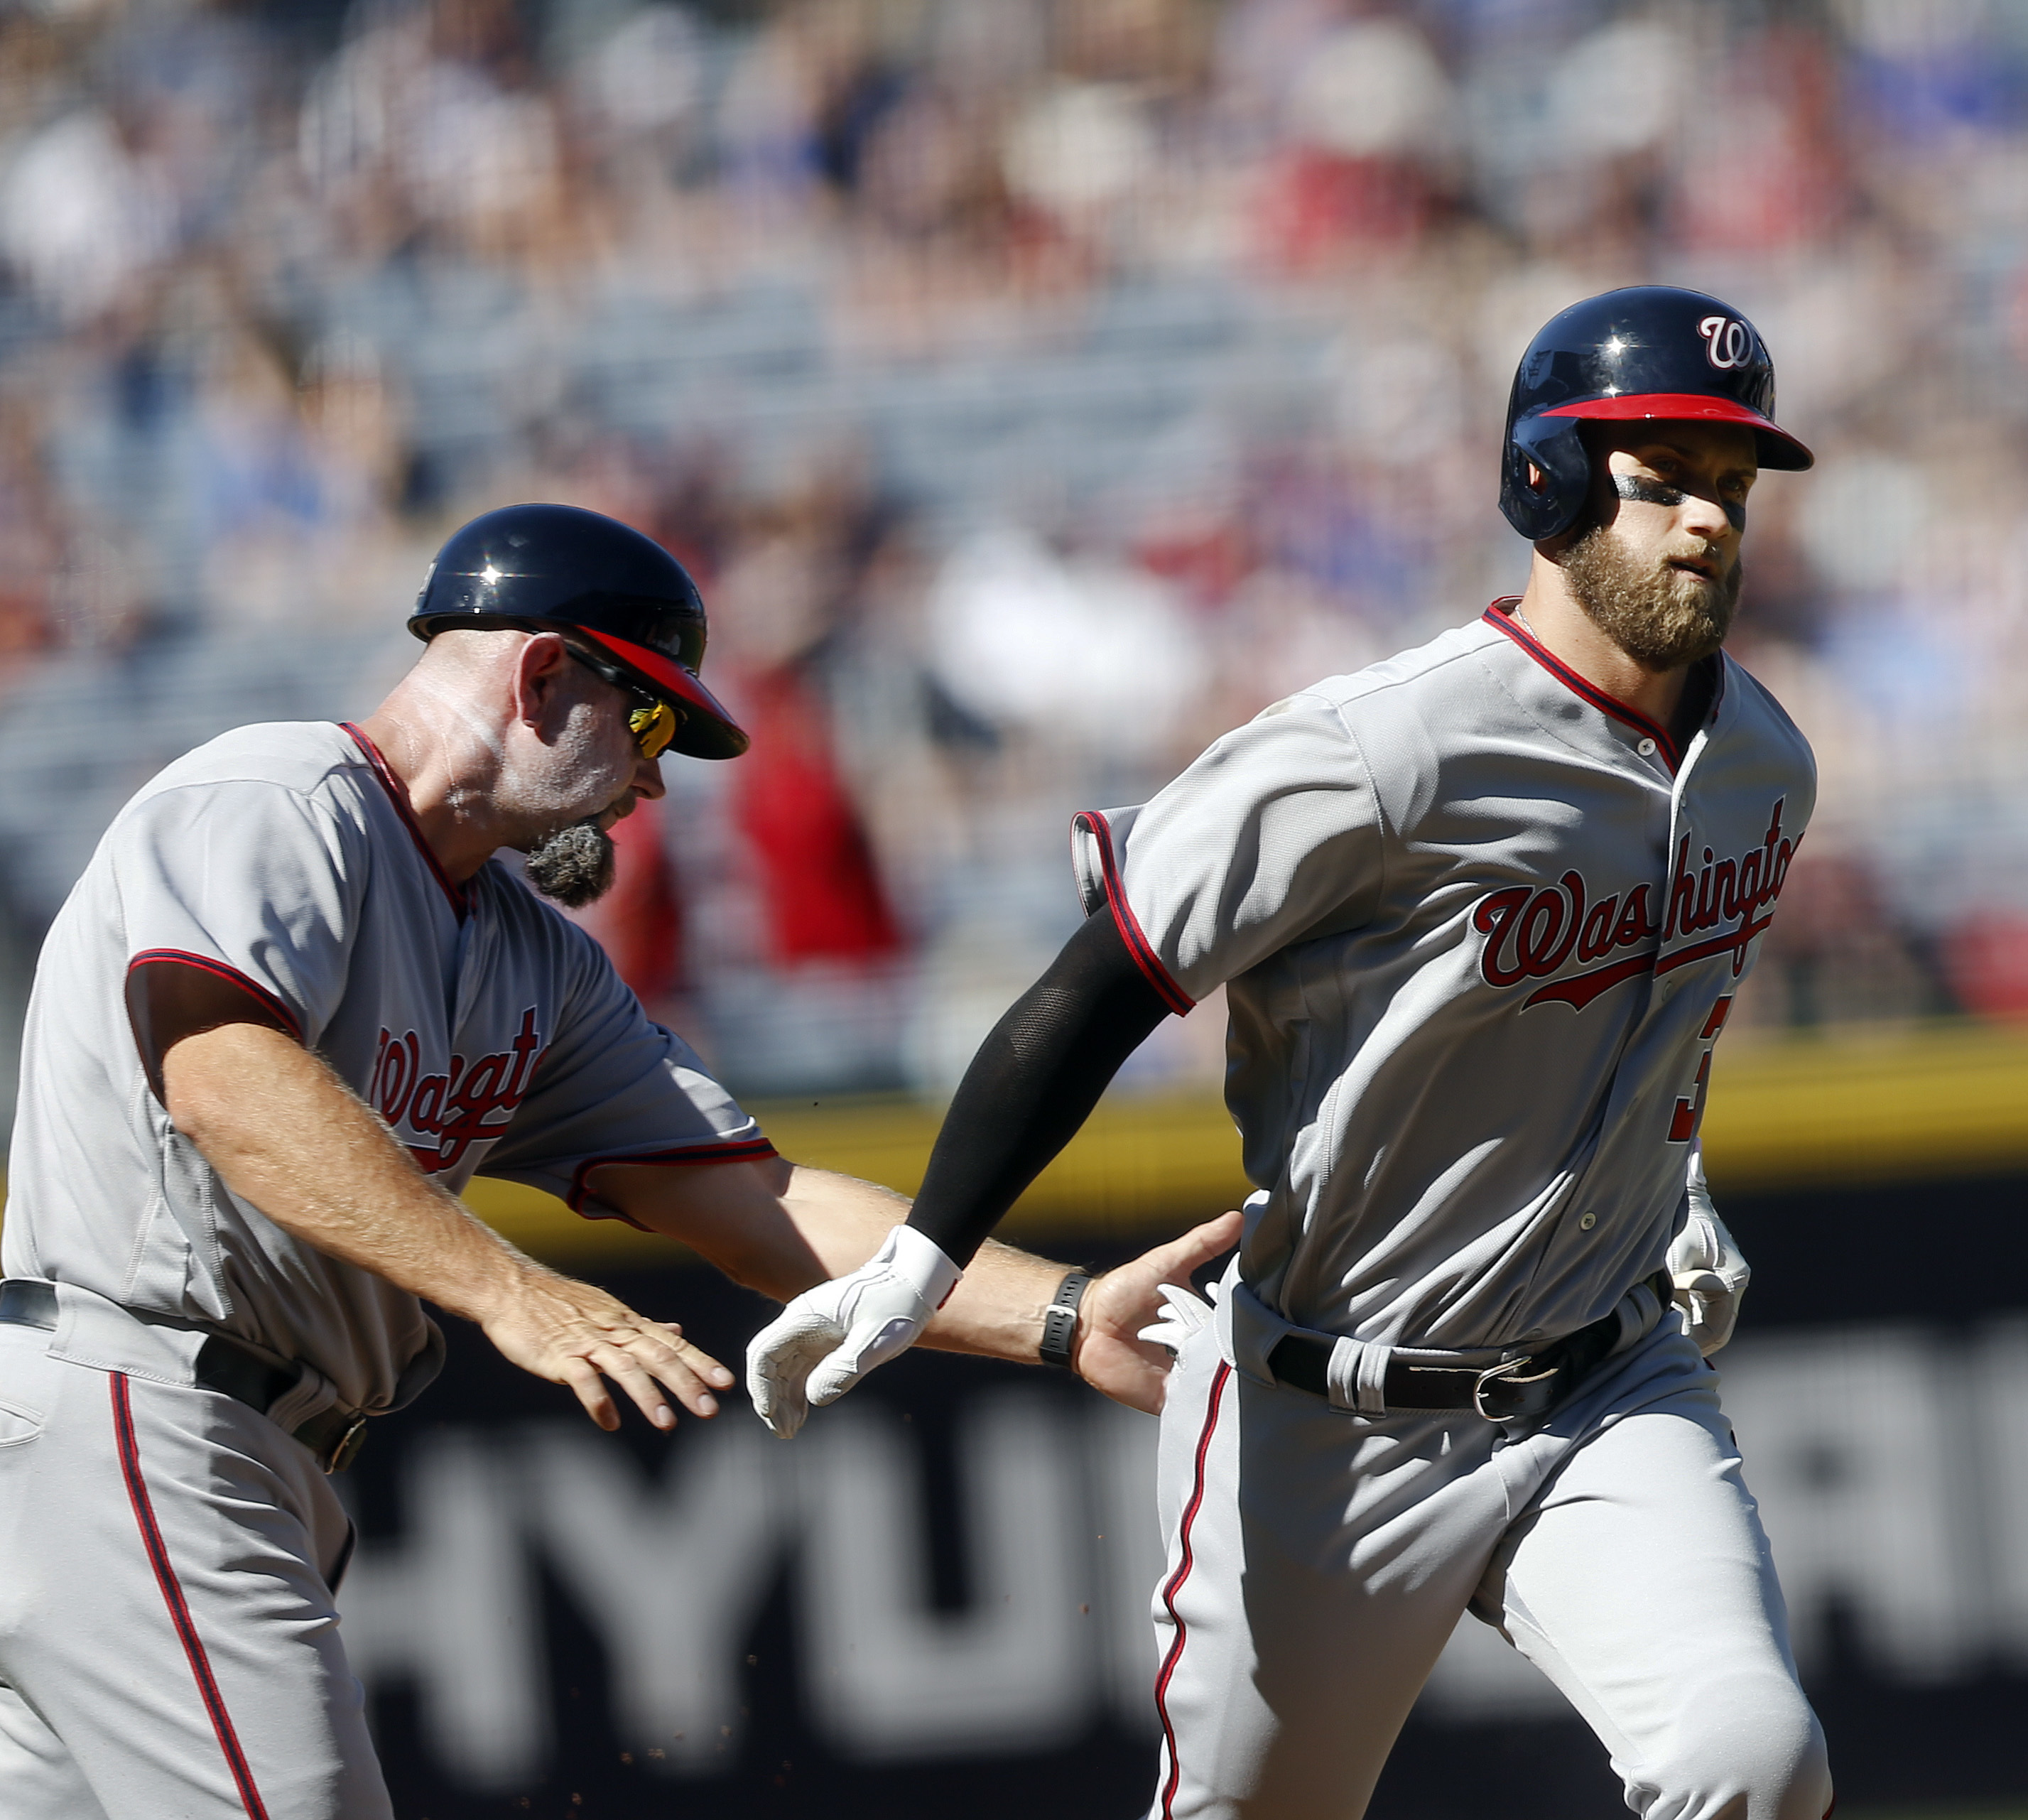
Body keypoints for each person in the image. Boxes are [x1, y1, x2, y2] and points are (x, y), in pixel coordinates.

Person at [749, 287, 1835, 1820]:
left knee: (1754, 1764)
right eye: (1659, 477)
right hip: (1329, 1416)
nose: (1708, 522)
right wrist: (928, 1256)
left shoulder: (1764, 764)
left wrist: (1674, 1170)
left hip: (1609, 1385)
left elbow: (1649, 1012)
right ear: (1549, 481)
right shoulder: (1382, 748)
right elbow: (1110, 980)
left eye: (1729, 485)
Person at [0, 502, 1236, 1820]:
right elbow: (223, 1074)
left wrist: (1054, 1316)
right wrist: (510, 1288)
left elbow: (758, 1204)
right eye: (649, 722)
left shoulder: (535, 961)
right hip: (132, 1402)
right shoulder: (280, 799)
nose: (656, 782)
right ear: (540, 676)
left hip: (221, 1453)